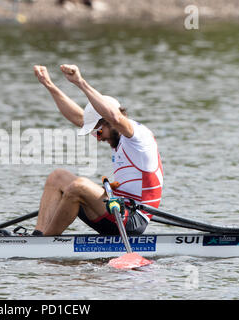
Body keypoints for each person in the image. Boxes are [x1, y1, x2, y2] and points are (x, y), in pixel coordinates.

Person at [32, 64, 163, 236]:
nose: (98, 137)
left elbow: (115, 117)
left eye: (99, 131)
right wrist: (49, 85)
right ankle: (38, 236)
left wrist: (80, 82)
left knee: (79, 186)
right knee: (58, 177)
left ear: (109, 121)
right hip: (116, 208)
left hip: (133, 218)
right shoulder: (112, 133)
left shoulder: (138, 137)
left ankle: (46, 243)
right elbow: (77, 117)